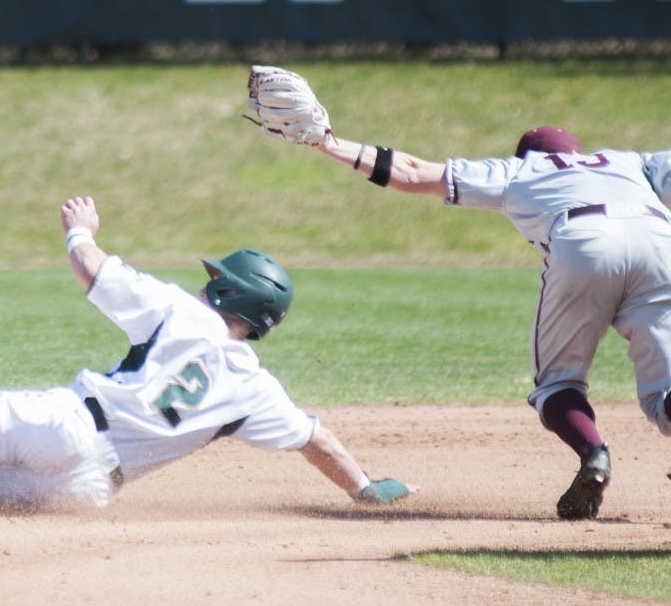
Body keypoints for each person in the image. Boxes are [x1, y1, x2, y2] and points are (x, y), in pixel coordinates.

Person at [0, 195, 414, 516]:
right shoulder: (259, 390)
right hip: (88, 489)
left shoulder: (186, 312)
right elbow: (317, 441)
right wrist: (365, 490)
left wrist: (80, 229)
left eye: (216, 279)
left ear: (227, 293)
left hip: (65, 424)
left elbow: (90, 271)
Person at [246, 65, 671, 520]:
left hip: (582, 241)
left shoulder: (518, 170)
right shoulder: (630, 162)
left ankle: (594, 454)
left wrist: (328, 143)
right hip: (659, 242)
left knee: (558, 385)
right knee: (663, 391)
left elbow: (410, 172)